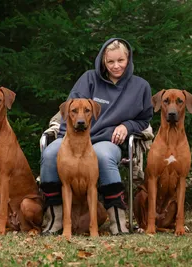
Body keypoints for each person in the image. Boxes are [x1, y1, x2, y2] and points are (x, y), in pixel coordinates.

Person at [40, 38, 153, 235]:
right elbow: (71, 109)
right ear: (103, 61)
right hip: (73, 137)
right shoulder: (89, 79)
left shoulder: (140, 87)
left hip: (107, 140)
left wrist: (127, 126)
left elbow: (144, 119)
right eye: (110, 62)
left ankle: (118, 223)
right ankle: (54, 220)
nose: (116, 66)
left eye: (121, 60)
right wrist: (62, 136)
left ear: (129, 59)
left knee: (103, 156)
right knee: (50, 154)